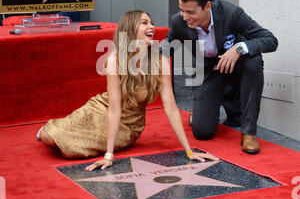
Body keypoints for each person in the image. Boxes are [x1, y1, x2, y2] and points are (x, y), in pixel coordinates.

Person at [36, 10, 219, 170]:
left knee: (69, 151)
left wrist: (189, 151)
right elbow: (114, 109)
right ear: (130, 29)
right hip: (102, 109)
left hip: (130, 126)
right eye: (145, 23)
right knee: (49, 137)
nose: (152, 27)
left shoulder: (160, 61)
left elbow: (171, 108)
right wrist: (109, 155)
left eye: (152, 23)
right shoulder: (115, 60)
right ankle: (52, 127)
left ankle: (65, 132)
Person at [162, 0, 278, 154]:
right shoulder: (179, 21)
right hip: (209, 70)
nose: (185, 17)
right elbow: (168, 45)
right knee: (203, 132)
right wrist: (153, 57)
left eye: (191, 12)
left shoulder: (232, 13)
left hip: (236, 66)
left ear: (207, 6)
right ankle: (203, 104)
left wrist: (238, 48)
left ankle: (249, 133)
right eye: (181, 10)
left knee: (254, 61)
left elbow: (270, 40)